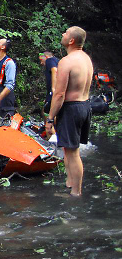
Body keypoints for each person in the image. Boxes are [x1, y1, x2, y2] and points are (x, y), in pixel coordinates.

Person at [46, 26, 93, 197]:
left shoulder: (66, 61)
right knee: (69, 149)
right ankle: (69, 184)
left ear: (71, 40)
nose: (62, 34)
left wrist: (50, 118)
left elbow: (59, 94)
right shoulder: (86, 59)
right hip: (85, 106)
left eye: (65, 33)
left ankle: (76, 192)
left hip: (72, 108)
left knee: (73, 153)